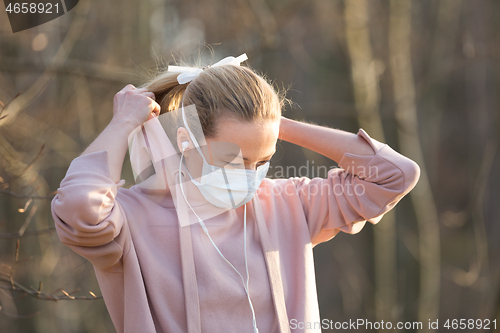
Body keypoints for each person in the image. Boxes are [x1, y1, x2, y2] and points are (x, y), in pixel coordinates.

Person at [51, 53, 420, 333]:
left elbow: (394, 176)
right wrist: (124, 122)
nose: (251, 176)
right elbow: (80, 208)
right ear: (188, 142)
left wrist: (275, 125)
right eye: (236, 159)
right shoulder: (131, 221)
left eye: (262, 161)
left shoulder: (287, 205)